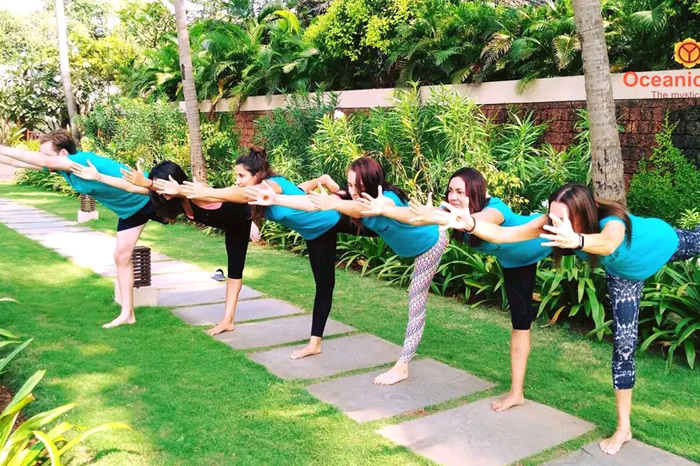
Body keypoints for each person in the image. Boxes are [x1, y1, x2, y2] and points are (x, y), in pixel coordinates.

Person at [436, 182, 700, 455]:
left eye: (564, 218)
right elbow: (505, 235)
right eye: (553, 217)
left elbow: (608, 243)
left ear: (584, 213)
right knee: (623, 345)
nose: (557, 223)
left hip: (659, 243)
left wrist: (579, 241)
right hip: (624, 276)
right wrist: (469, 224)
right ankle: (624, 428)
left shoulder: (610, 220)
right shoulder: (554, 224)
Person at [252, 156, 449, 385]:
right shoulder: (353, 197)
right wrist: (275, 198)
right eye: (350, 184)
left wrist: (334, 204)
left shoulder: (387, 198)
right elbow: (309, 205)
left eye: (358, 185)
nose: (352, 190)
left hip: (431, 245)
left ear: (372, 181)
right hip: (415, 247)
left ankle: (402, 366)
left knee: (416, 303)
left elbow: (373, 208)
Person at [176, 147, 376, 359]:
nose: (237, 180)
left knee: (381, 225)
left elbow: (241, 194)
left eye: (241, 175)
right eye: (236, 176)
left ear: (257, 175)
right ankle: (314, 344)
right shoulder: (258, 196)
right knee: (324, 286)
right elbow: (297, 189)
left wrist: (207, 191)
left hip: (337, 218)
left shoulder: (272, 185)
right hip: (316, 235)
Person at [384, 167, 551, 411]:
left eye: (460, 191)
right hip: (515, 262)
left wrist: (447, 217)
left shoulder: (495, 209)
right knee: (520, 325)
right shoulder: (452, 212)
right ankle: (517, 393)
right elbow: (416, 216)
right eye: (450, 191)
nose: (453, 197)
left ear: (475, 191)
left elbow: (478, 222)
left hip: (541, 239)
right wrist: (383, 210)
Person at [0, 130, 166, 328]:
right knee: (121, 256)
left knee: (198, 211)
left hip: (151, 196)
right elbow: (17, 162)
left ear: (63, 154)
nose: (43, 160)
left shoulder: (79, 161)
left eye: (46, 155)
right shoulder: (63, 168)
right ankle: (127, 314)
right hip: (130, 211)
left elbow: (43, 162)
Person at [76, 159, 256, 336]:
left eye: (165, 187)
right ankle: (228, 321)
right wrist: (98, 177)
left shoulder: (199, 193)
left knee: (235, 269)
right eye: (159, 187)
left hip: (239, 221)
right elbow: (130, 187)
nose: (162, 193)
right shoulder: (171, 197)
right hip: (224, 215)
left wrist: (252, 218)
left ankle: (227, 320)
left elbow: (238, 194)